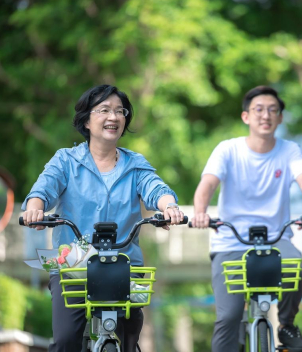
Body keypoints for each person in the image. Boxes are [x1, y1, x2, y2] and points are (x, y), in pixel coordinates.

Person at [21, 84, 185, 352]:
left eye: (120, 111)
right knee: (65, 341)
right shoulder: (66, 161)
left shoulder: (135, 164)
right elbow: (43, 189)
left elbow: (157, 189)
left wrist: (170, 207)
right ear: (86, 120)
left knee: (130, 335)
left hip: (122, 266)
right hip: (72, 268)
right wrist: (35, 208)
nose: (114, 117)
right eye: (105, 110)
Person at [191, 86, 302, 351]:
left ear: (280, 118)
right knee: (228, 317)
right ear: (246, 117)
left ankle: (286, 325)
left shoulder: (289, 150)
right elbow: (207, 184)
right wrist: (200, 213)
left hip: (276, 240)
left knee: (295, 268)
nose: (266, 115)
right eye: (259, 110)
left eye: (273, 110)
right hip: (230, 242)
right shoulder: (228, 150)